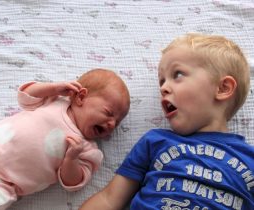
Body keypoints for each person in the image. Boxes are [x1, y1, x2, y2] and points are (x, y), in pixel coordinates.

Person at [79, 34, 254, 210]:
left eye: (177, 74)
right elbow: (110, 198)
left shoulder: (249, 160)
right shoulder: (155, 142)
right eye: (162, 81)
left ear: (223, 88)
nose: (163, 88)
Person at [0, 68, 130, 210]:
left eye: (117, 122)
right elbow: (25, 96)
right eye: (108, 113)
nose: (111, 124)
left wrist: (71, 159)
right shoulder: (55, 101)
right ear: (81, 97)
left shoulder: (87, 150)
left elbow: (73, 182)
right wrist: (52, 88)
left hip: (2, 182)